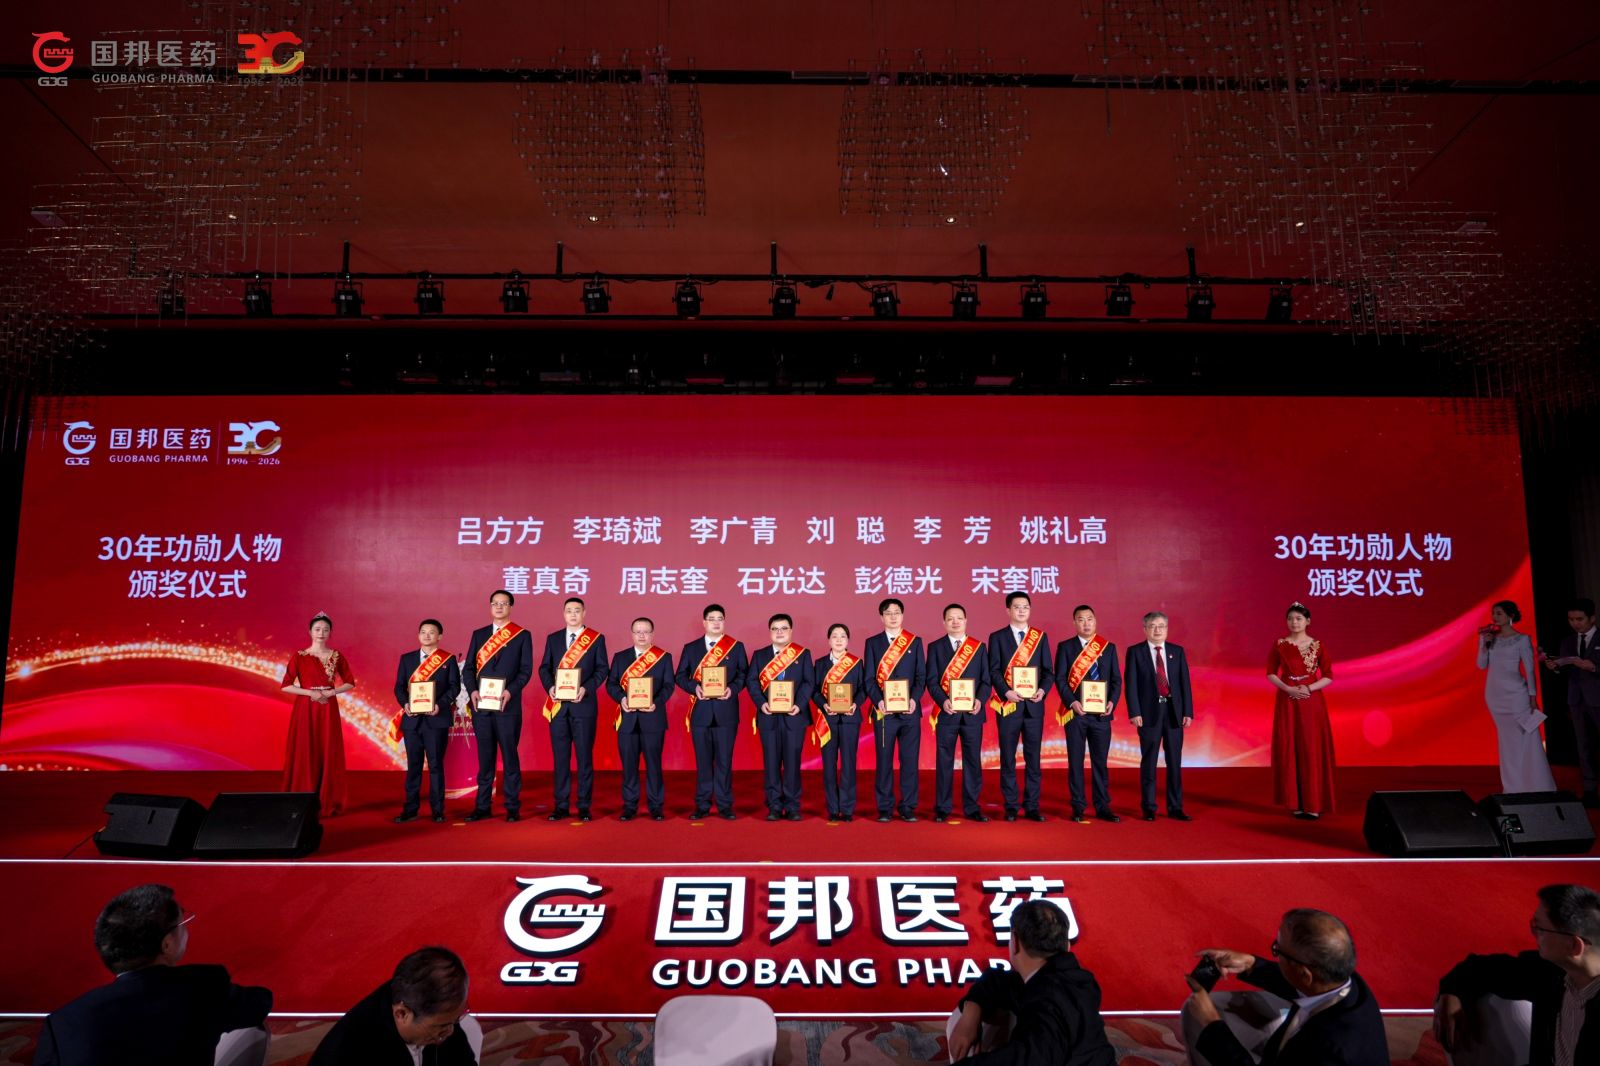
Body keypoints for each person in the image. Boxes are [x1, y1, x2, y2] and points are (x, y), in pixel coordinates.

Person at [35, 883, 272, 1066]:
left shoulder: (62, 1022)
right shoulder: (203, 986)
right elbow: (260, 1002)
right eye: (182, 923)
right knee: (252, 1030)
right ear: (166, 945)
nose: (186, 929)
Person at [1183, 908, 1386, 1066]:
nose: (1276, 955)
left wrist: (1211, 1023)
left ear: (1305, 974)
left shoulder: (1324, 1050)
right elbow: (1304, 983)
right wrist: (1251, 964)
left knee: (1199, 1018)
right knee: (1215, 1004)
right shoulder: (1345, 981)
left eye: (1277, 951)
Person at [1435, 883, 1600, 1066]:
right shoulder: (1551, 973)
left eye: (1540, 929)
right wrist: (1451, 991)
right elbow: (1481, 968)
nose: (1534, 934)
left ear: (1574, 946)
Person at [947, 899, 1115, 1064]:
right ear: (1067, 945)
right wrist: (971, 1012)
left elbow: (1028, 1058)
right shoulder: (1064, 979)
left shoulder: (1049, 999)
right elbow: (998, 982)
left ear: (1015, 942)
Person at [309, 946, 474, 1065]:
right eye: (442, 1026)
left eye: (455, 1021)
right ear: (402, 1014)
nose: (450, 1031)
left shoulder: (439, 1011)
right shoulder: (344, 1055)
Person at [461, 590, 534, 823]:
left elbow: (525, 671)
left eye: (504, 603)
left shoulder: (522, 635)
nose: (499, 607)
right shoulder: (479, 634)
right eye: (495, 603)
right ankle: (482, 806)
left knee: (510, 758)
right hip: (481, 707)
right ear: (490, 606)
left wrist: (510, 691)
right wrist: (472, 691)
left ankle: (512, 807)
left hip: (507, 708)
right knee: (485, 759)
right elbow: (469, 669)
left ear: (511, 607)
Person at [537, 597, 609, 821]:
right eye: (569, 610)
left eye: (577, 610)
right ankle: (561, 806)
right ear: (563, 613)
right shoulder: (554, 639)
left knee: (584, 759)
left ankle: (584, 806)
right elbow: (544, 668)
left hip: (583, 706)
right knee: (560, 759)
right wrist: (550, 687)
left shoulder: (596, 639)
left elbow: (602, 669)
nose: (573, 614)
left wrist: (586, 689)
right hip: (558, 708)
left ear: (584, 613)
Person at [676, 603, 748, 820]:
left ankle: (725, 805)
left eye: (720, 619)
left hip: (726, 712)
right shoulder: (691, 648)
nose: (716, 622)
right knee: (703, 762)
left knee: (725, 761)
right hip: (701, 713)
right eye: (712, 619)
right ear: (704, 622)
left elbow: (744, 675)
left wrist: (732, 689)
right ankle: (702, 804)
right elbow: (680, 676)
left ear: (724, 621)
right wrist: (694, 688)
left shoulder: (735, 647)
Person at [281, 611, 356, 817]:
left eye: (325, 629)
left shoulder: (336, 656)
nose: (321, 633)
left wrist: (331, 692)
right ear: (310, 632)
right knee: (306, 748)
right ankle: (302, 799)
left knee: (327, 748)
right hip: (306, 707)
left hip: (328, 707)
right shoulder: (299, 656)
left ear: (330, 632)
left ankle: (327, 799)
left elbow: (350, 682)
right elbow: (286, 685)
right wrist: (311, 693)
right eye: (317, 629)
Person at [987, 592, 1054, 822]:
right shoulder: (997, 637)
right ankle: (1011, 806)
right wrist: (1006, 691)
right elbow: (994, 670)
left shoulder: (1040, 637)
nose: (1022, 611)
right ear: (1008, 610)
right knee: (1008, 757)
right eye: (1017, 607)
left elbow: (1048, 672)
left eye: (1025, 606)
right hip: (1009, 706)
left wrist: (1042, 690)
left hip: (1034, 707)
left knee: (1033, 758)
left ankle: (1032, 806)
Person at [1478, 600, 1557, 793]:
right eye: (1493, 613)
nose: (1495, 617)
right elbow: (1481, 665)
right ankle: (1513, 786)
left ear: (1510, 616)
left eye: (1499, 613)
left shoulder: (1522, 640)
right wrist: (1483, 644)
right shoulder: (1490, 638)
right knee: (1507, 741)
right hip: (1495, 695)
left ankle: (1537, 784)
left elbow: (1529, 670)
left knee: (1527, 736)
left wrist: (1532, 698)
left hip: (1517, 694)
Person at [1123, 611, 1195, 821]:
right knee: (1149, 761)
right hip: (1148, 714)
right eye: (1153, 626)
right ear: (1145, 629)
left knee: (1174, 761)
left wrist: (1187, 712)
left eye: (1161, 626)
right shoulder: (1135, 652)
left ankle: (1175, 807)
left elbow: (1185, 683)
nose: (1157, 630)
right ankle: (1149, 807)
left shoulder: (1176, 651)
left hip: (1173, 713)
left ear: (1167, 628)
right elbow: (1131, 685)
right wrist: (1135, 712)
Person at [1267, 602, 1336, 819]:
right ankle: (1295, 801)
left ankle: (1314, 803)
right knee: (1290, 744)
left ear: (1308, 621)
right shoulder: (1280, 644)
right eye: (1290, 618)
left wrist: (1308, 688)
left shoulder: (1318, 645)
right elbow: (1270, 673)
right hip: (1287, 698)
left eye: (1298, 618)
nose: (1294, 622)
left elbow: (1328, 675)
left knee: (1310, 746)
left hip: (1311, 700)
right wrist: (1288, 688)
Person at [1055, 605, 1122, 824]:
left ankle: (1103, 806)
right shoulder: (1066, 647)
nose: (1086, 623)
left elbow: (1116, 680)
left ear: (1095, 621)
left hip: (1101, 715)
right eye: (1081, 619)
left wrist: (1112, 702)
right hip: (1076, 714)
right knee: (1075, 762)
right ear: (1074, 622)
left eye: (1089, 619)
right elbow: (1060, 679)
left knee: (1100, 763)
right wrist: (1072, 702)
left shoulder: (1108, 648)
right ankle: (1078, 806)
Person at [391, 619, 462, 823]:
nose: (427, 635)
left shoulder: (448, 660)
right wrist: (405, 704)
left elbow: (454, 687)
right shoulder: (407, 659)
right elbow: (399, 687)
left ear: (439, 636)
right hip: (412, 720)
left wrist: (440, 704)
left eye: (432, 632)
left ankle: (438, 810)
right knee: (413, 766)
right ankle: (411, 809)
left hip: (436, 720)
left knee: (436, 765)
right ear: (418, 635)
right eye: (423, 632)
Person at [926, 603, 992, 823]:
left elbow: (986, 681)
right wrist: (943, 701)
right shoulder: (935, 647)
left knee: (972, 761)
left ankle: (972, 807)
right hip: (947, 713)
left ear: (966, 621)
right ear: (944, 622)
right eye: (950, 618)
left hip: (972, 714)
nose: (955, 622)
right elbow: (932, 681)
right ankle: (943, 807)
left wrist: (980, 701)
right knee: (944, 761)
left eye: (959, 618)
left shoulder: (979, 647)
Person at [604, 617, 674, 821]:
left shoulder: (664, 657)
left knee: (654, 765)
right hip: (627, 719)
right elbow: (611, 684)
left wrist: (656, 702)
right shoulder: (620, 657)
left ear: (652, 634)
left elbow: (669, 686)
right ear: (632, 634)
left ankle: (656, 806)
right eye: (638, 632)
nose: (642, 635)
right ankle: (629, 806)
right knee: (629, 765)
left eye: (646, 632)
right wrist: (622, 698)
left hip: (653, 718)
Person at [747, 613, 815, 821]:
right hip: (768, 716)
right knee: (771, 762)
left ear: (791, 631)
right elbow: (752, 682)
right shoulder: (760, 655)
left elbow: (809, 682)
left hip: (794, 716)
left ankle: (793, 806)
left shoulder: (802, 654)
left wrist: (798, 704)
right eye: (775, 629)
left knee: (793, 763)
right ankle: (774, 805)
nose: (779, 632)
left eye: (784, 628)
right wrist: (762, 703)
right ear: (770, 632)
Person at [865, 597, 927, 822]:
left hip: (910, 712)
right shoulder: (873, 643)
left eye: (897, 612)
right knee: (884, 761)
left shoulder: (915, 642)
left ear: (902, 615)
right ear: (881, 617)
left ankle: (908, 806)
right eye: (888, 613)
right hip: (884, 713)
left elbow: (921, 677)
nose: (893, 616)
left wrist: (914, 699)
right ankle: (884, 807)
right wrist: (878, 701)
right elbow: (869, 679)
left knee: (909, 761)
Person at [1543, 598, 1600, 808]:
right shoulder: (1568, 641)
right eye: (1571, 619)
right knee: (1583, 745)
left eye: (1580, 619)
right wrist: (1555, 666)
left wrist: (1593, 667)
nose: (1575, 623)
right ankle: (1590, 789)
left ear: (1592, 618)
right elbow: (1565, 669)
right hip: (1577, 699)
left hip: (1597, 696)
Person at [811, 623, 868, 822]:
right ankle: (833, 808)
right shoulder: (820, 664)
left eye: (843, 636)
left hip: (850, 719)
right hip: (828, 720)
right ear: (828, 640)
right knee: (829, 765)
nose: (838, 639)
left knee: (848, 764)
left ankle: (847, 808)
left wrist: (855, 704)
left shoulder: (856, 663)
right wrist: (824, 704)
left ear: (848, 640)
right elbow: (814, 690)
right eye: (834, 636)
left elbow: (863, 689)